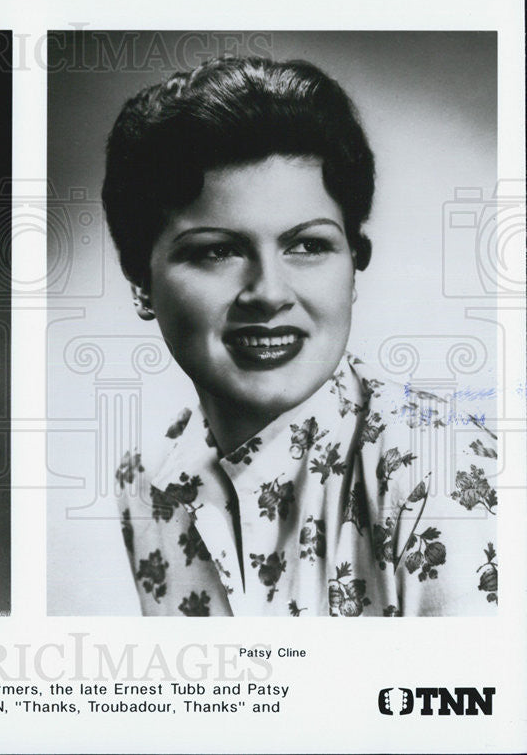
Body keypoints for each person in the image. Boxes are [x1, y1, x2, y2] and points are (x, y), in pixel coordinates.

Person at [103, 57, 498, 616]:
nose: (268, 293)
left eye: (307, 245)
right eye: (217, 250)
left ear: (353, 265)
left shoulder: (443, 465)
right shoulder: (145, 475)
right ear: (141, 281)